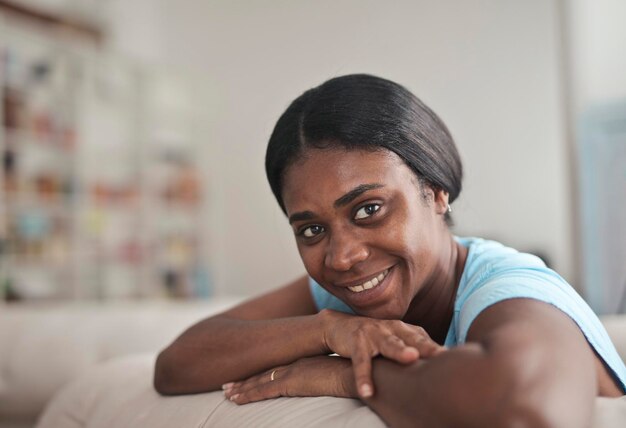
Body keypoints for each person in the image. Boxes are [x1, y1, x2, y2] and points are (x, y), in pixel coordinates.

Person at [154, 74, 626, 428]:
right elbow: (176, 364)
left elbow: (530, 411)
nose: (341, 257)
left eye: (368, 209)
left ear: (437, 191)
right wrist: (329, 331)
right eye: (313, 229)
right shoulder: (344, 301)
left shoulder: (510, 287)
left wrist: (346, 376)